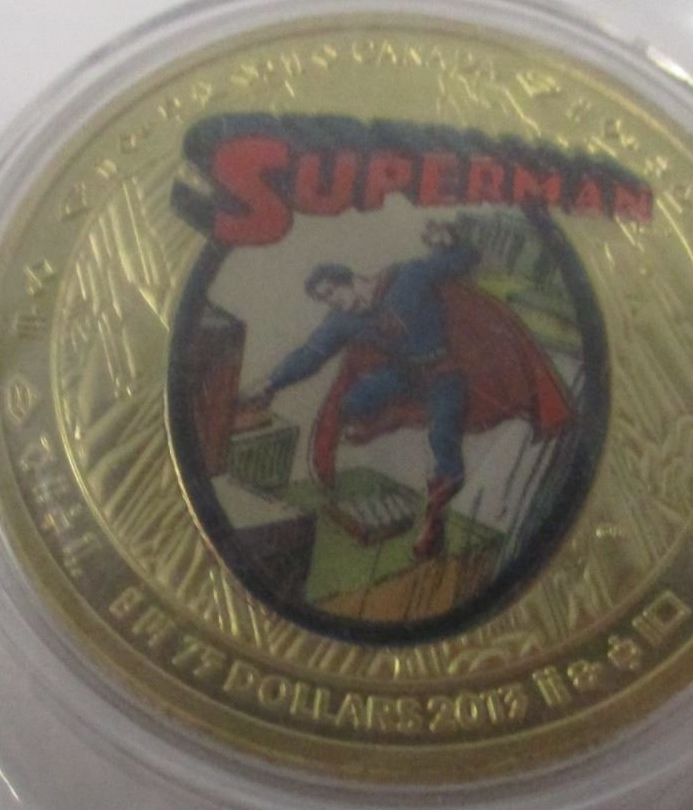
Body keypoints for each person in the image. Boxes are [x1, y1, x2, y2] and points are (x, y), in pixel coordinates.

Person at [241, 221, 571, 561]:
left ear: (350, 279)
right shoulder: (342, 320)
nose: (333, 303)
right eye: (324, 300)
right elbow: (310, 355)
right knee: (352, 403)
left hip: (443, 374)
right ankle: (394, 415)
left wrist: (449, 242)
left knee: (443, 440)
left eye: (332, 293)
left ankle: (433, 517)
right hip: (403, 377)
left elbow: (464, 259)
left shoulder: (409, 276)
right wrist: (271, 382)